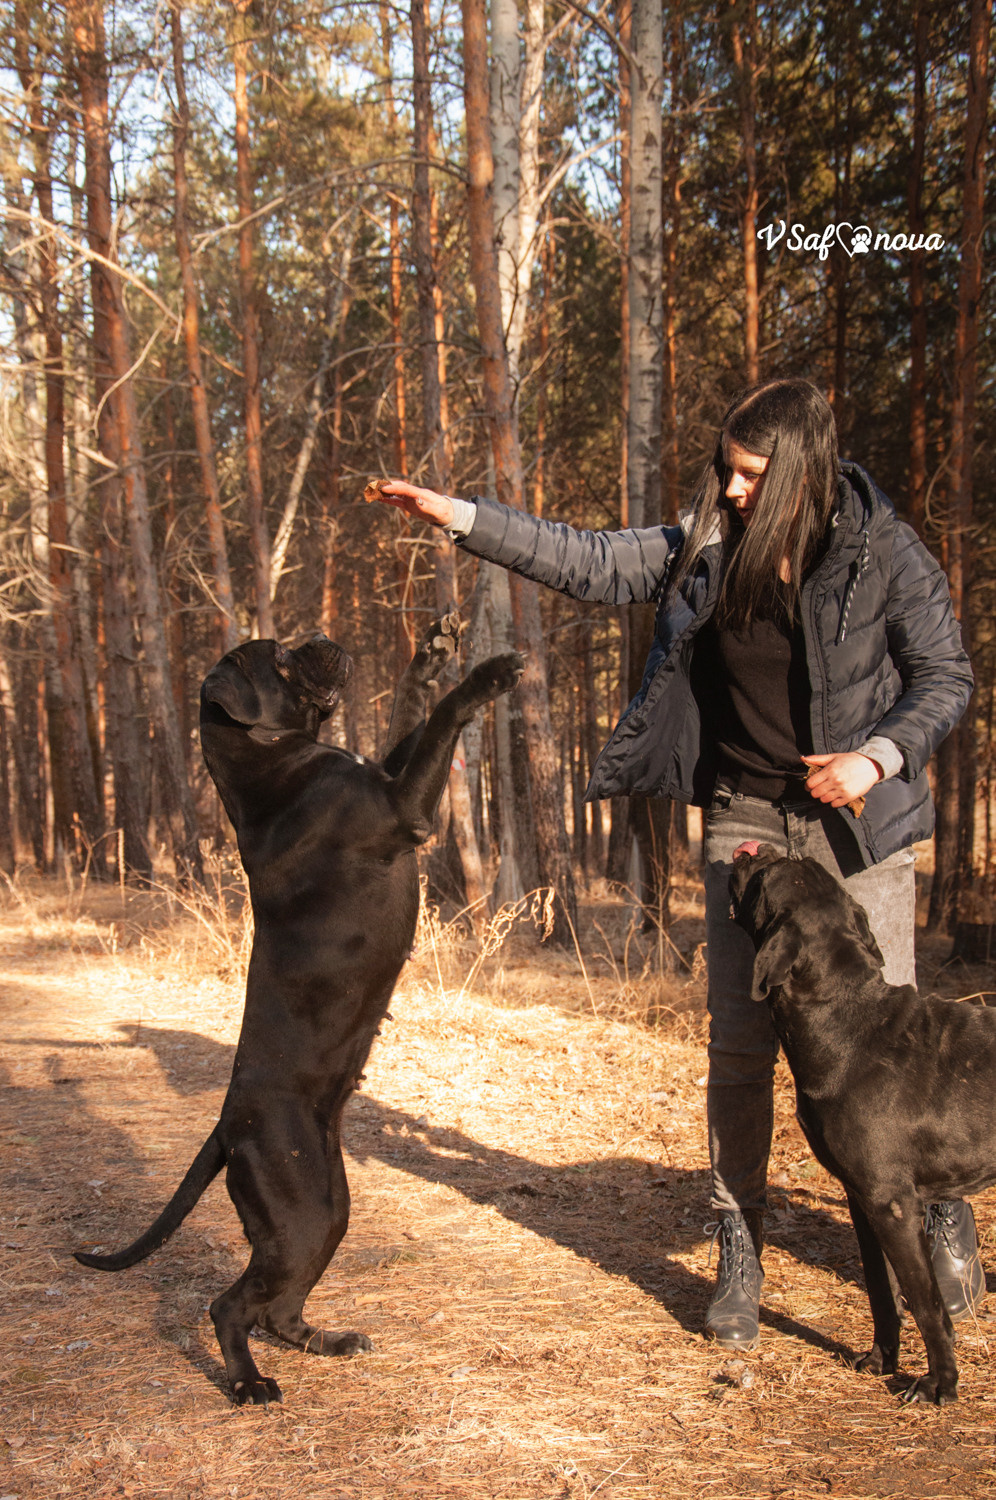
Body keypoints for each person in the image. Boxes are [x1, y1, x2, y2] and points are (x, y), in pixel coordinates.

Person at [371, 378, 976, 1352]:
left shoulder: (881, 549)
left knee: (894, 1040)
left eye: (748, 475)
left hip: (860, 823)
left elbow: (946, 675)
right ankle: (740, 1238)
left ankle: (938, 1199)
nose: (730, 490)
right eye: (725, 473)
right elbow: (593, 560)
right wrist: (462, 519)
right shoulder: (708, 547)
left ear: (801, 474)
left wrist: (876, 755)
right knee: (740, 1044)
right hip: (747, 818)